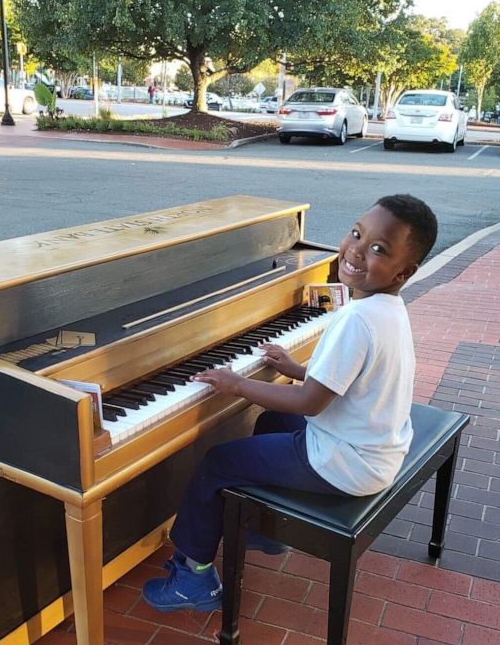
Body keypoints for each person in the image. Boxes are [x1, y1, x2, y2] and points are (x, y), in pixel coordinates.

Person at [142, 194, 438, 612]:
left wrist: (237, 384)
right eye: (356, 234)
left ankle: (193, 577)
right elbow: (340, 383)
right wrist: (297, 368)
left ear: (404, 271)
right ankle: (268, 528)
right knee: (271, 419)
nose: (355, 250)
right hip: (370, 450)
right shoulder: (385, 309)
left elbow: (310, 403)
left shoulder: (357, 318)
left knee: (217, 463)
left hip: (344, 463)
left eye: (378, 249)